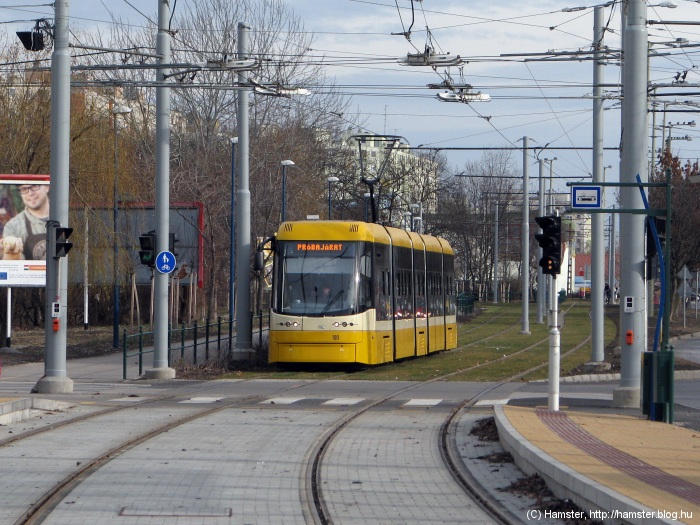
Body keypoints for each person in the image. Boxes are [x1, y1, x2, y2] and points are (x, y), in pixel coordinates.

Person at [2, 183, 49, 260]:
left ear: (47, 187)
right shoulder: (12, 226)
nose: (30, 193)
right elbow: (12, 267)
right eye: (24, 189)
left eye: (34, 186)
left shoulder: (65, 219)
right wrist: (13, 252)